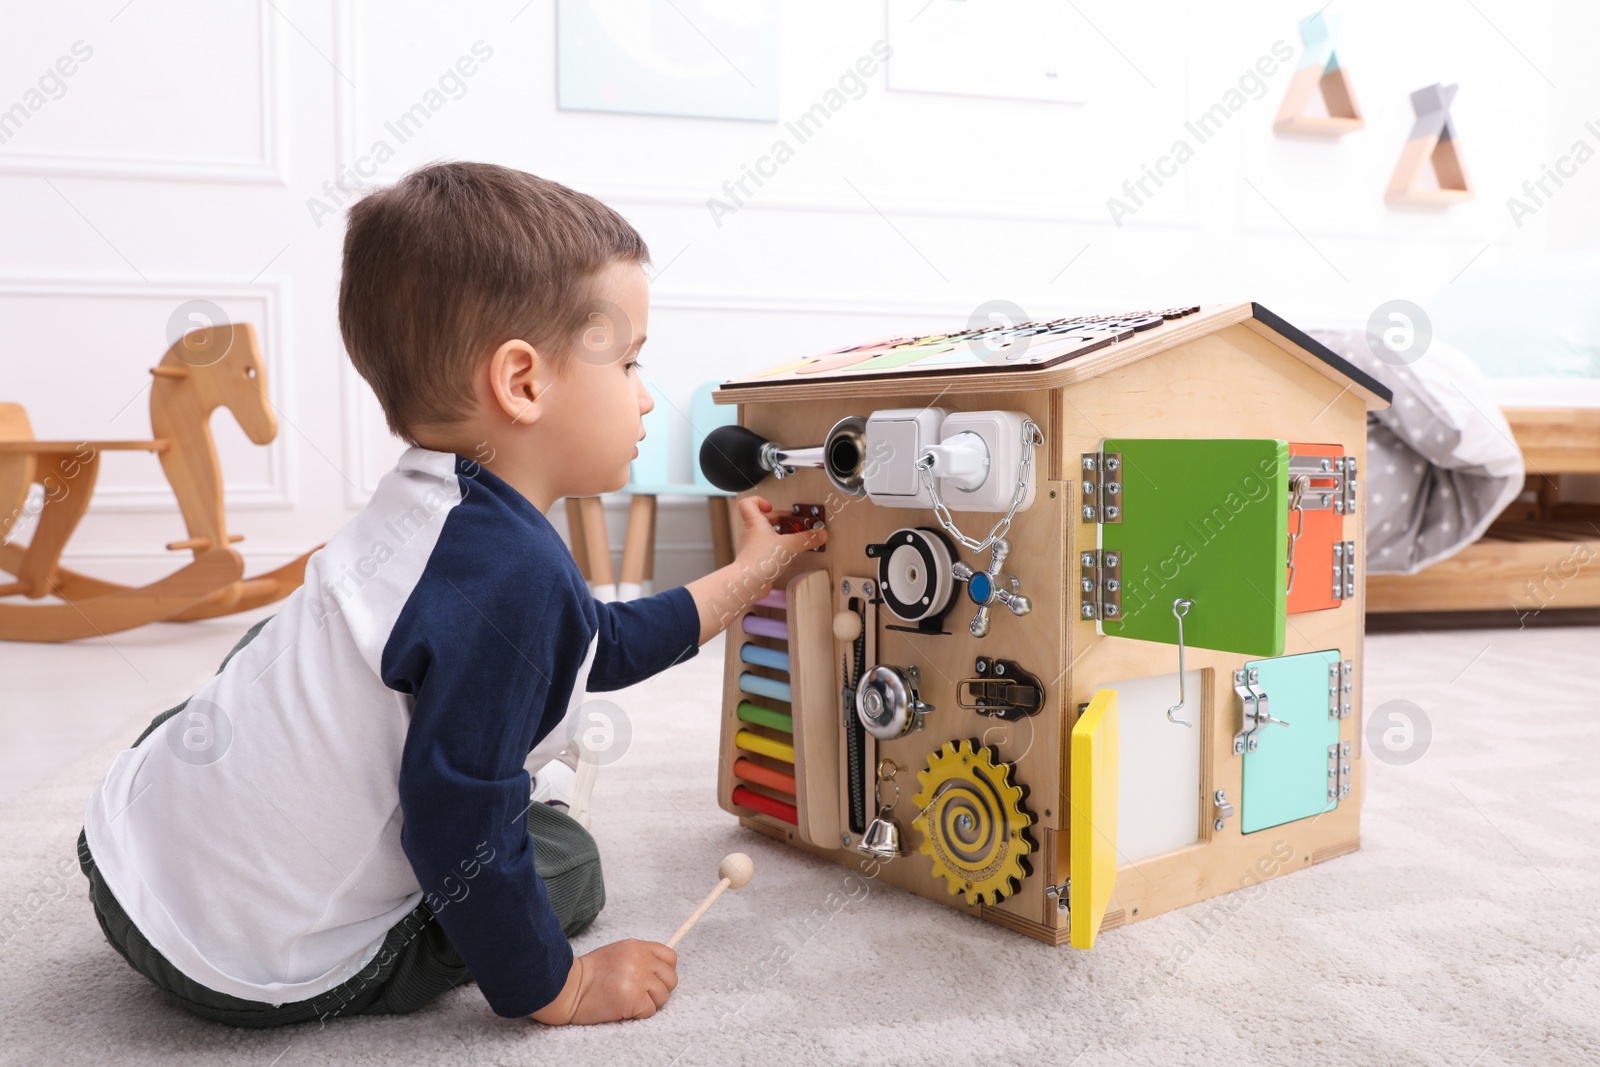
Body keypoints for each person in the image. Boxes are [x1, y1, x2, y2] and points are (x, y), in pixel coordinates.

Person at [76, 161, 826, 1028]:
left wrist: (750, 573)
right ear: (522, 383)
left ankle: (192, 818)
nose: (647, 396)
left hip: (122, 861)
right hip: (243, 964)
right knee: (565, 864)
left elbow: (597, 643)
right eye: (628, 363)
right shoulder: (514, 575)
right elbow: (455, 820)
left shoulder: (423, 501)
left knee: (263, 672)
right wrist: (559, 987)